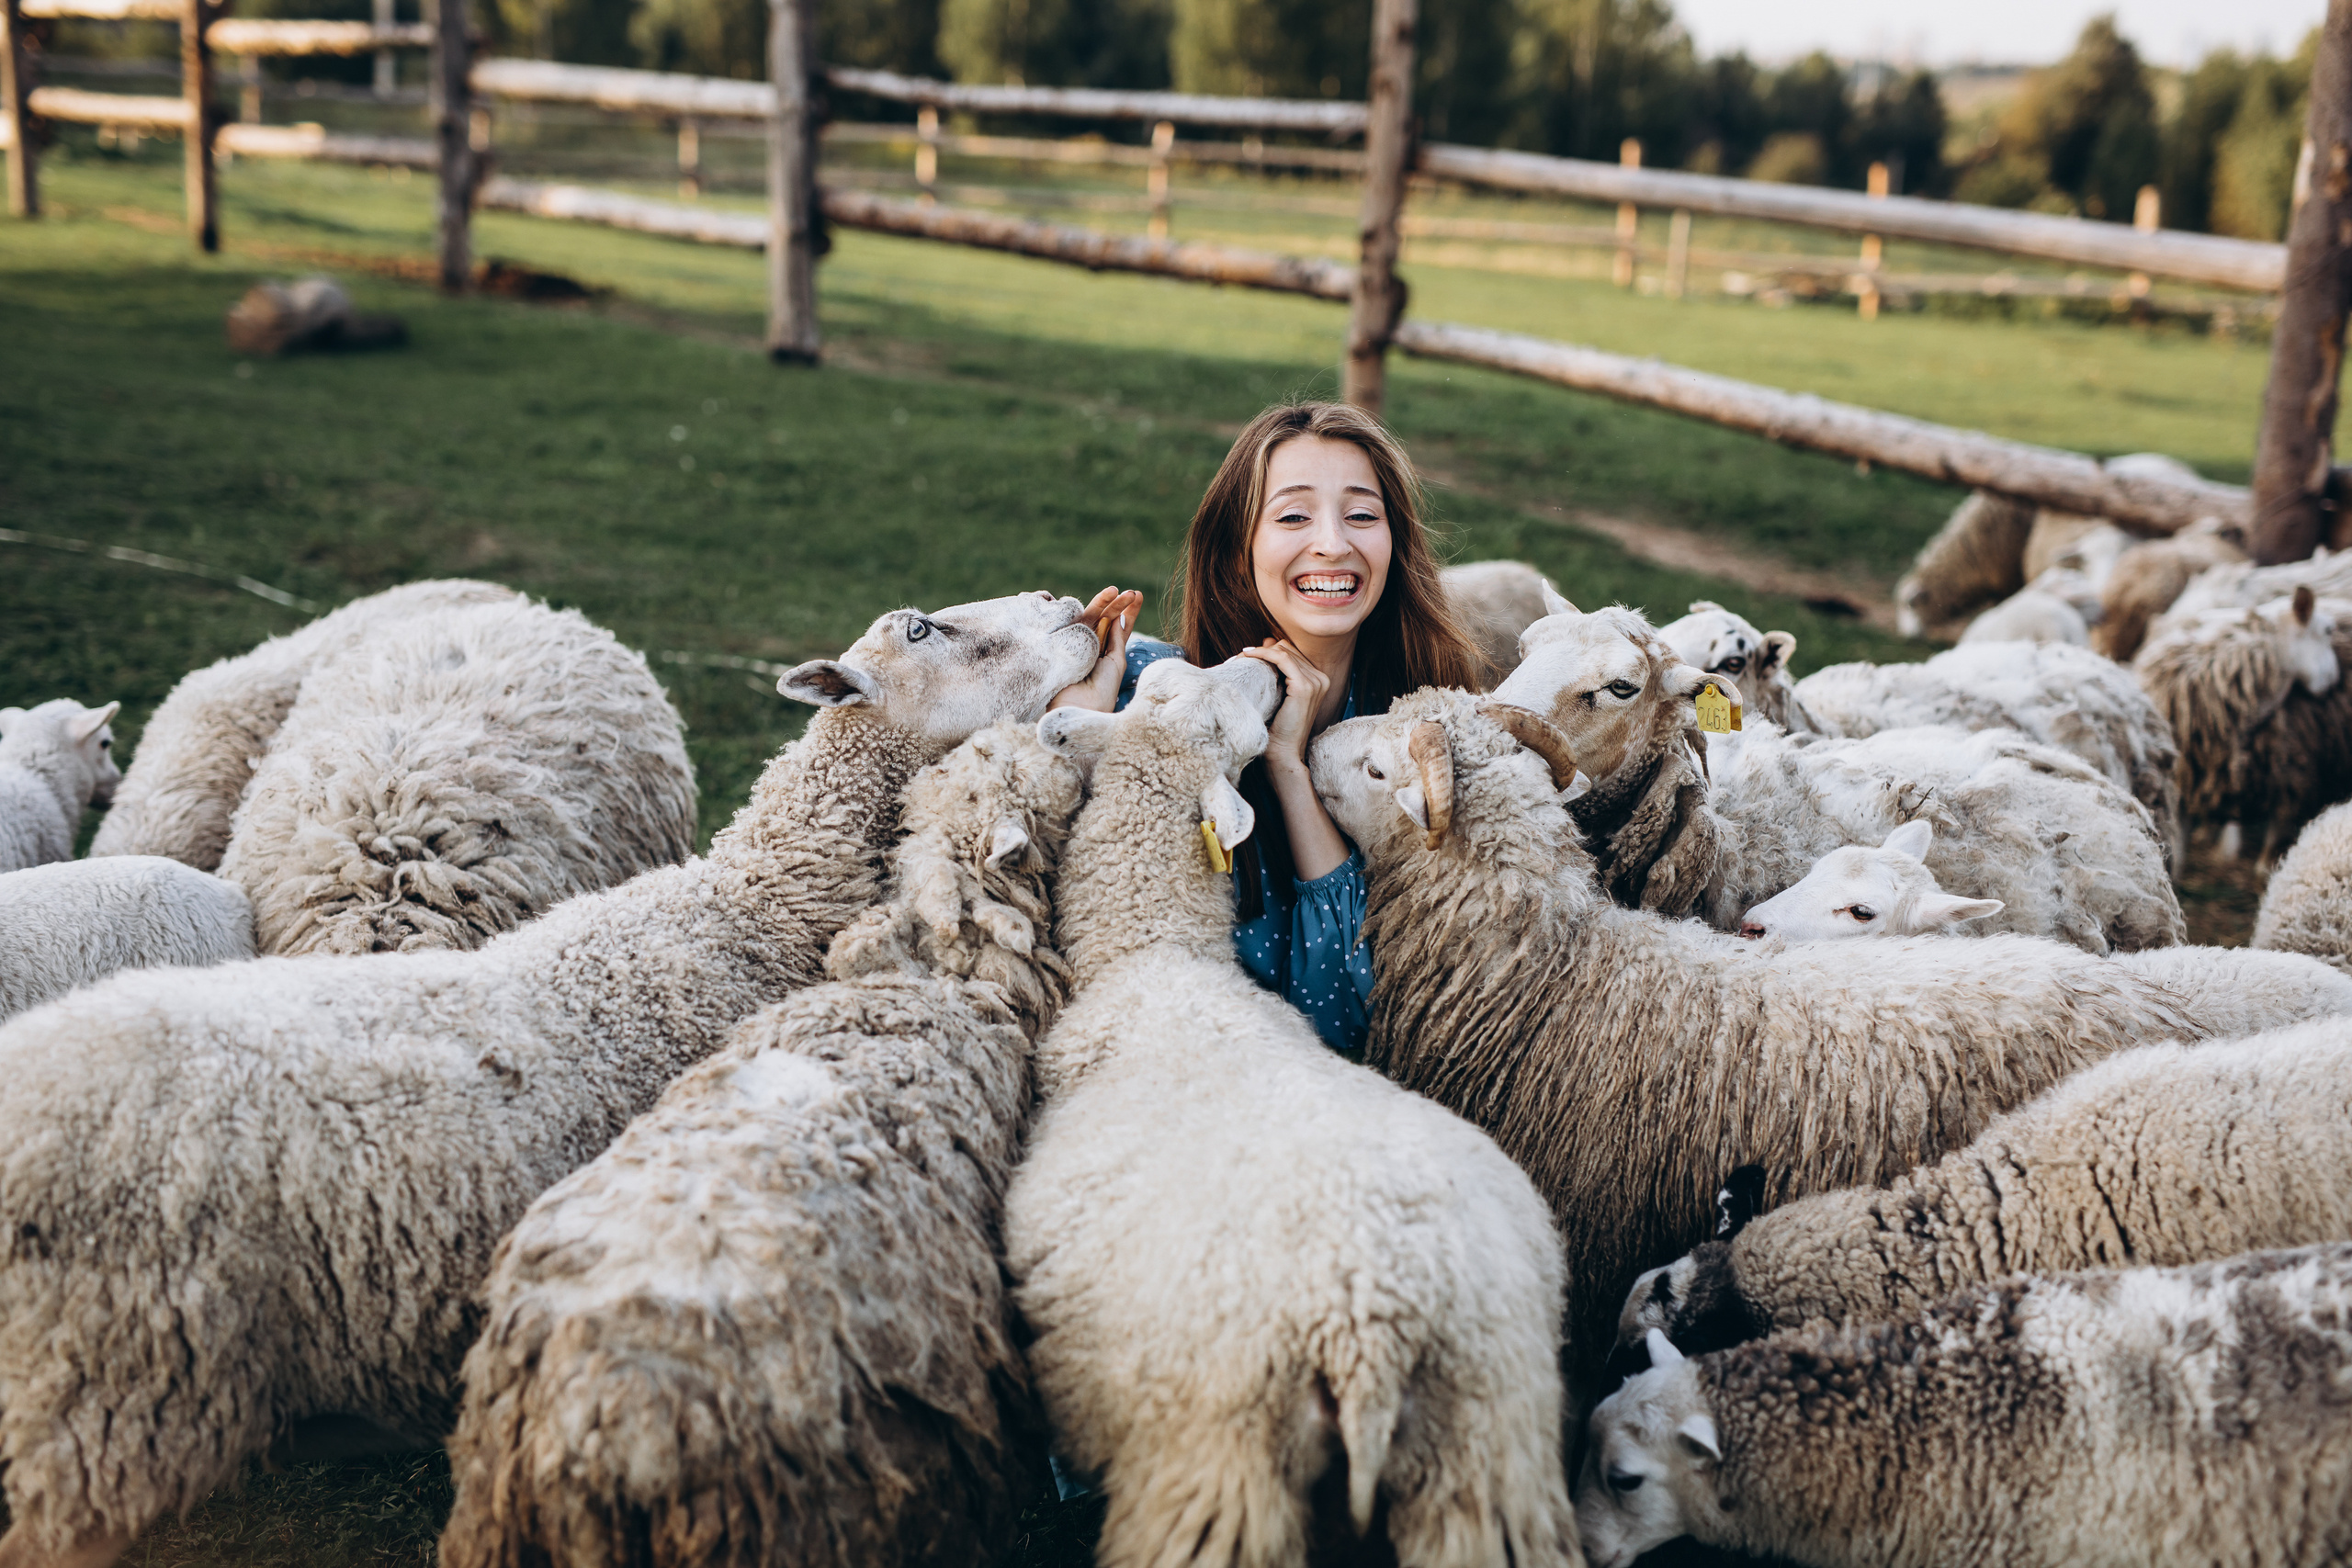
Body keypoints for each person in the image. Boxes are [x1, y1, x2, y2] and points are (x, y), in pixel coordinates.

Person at [1051, 401, 1484, 1054]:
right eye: (1293, 516)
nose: (1334, 543)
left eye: (1362, 514)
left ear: (1395, 543)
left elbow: (1358, 1021)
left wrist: (1289, 770)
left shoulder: (1427, 739)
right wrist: (1076, 736)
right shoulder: (1151, 698)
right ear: (1238, 546)